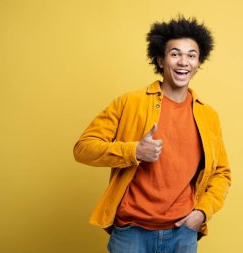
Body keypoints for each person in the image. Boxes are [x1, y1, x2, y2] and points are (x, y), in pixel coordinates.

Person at [73, 16, 231, 253]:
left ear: (198, 63)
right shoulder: (129, 103)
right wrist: (134, 150)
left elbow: (222, 173)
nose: (183, 61)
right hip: (131, 232)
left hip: (183, 233)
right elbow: (83, 149)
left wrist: (202, 212)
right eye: (175, 54)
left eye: (191, 55)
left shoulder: (208, 116)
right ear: (160, 59)